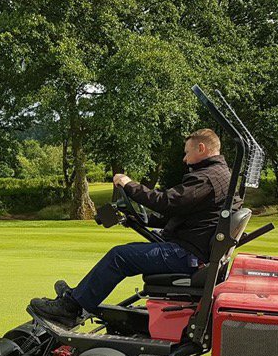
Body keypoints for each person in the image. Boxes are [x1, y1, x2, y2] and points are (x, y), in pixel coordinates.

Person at [29, 128, 237, 325]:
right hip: (194, 250)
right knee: (124, 254)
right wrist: (140, 218)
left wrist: (128, 184)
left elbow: (166, 202)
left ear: (201, 148)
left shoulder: (206, 179)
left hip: (186, 255)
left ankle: (70, 308)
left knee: (119, 256)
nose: (184, 159)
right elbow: (179, 212)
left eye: (187, 152)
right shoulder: (220, 175)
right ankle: (78, 298)